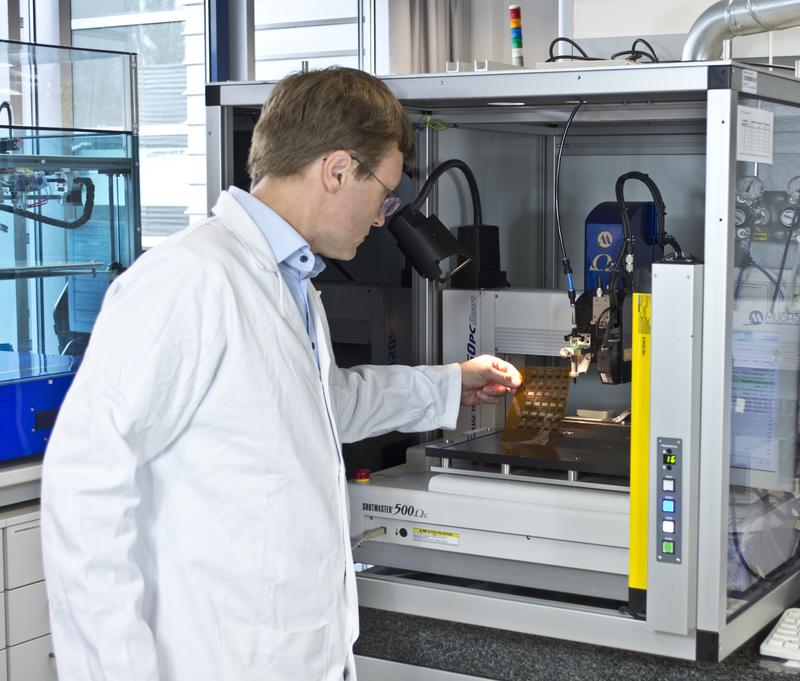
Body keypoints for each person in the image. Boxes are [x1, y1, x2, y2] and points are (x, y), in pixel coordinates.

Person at [41, 66, 521, 681]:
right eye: (385, 192)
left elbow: (323, 405)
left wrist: (452, 383)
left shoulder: (289, 281)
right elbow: (84, 488)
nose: (382, 217)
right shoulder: (189, 280)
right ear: (339, 169)